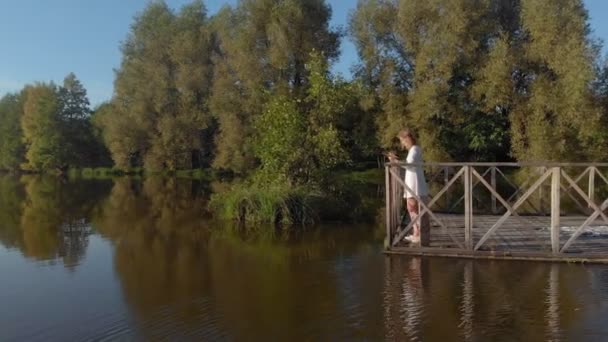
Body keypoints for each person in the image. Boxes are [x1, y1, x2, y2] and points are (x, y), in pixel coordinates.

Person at [387, 129, 429, 244]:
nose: (402, 144)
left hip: (414, 182)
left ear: (406, 139)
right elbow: (409, 165)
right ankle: (416, 233)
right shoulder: (414, 149)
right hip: (413, 180)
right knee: (411, 208)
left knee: (412, 207)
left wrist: (396, 162)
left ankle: (419, 233)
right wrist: (396, 161)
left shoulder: (414, 149)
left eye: (402, 141)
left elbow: (409, 165)